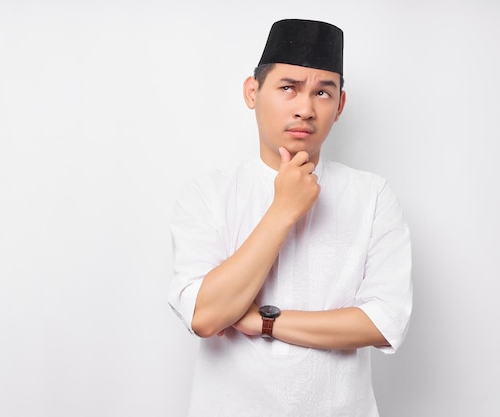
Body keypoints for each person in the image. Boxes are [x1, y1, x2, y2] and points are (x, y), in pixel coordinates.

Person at [168, 19, 412, 416]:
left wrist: (263, 322)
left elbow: (382, 322)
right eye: (288, 88)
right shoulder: (208, 194)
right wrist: (283, 209)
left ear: (340, 106)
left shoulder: (373, 196)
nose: (305, 108)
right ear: (253, 91)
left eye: (322, 92)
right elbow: (207, 316)